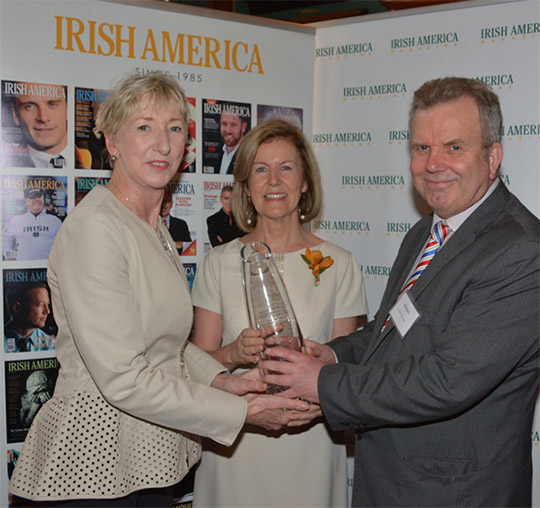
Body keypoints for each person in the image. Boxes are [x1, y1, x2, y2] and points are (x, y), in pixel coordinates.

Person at [8, 72, 311, 507]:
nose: (164, 144)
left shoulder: (153, 227)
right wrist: (241, 412)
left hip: (143, 466)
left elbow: (163, 342)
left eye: (174, 128)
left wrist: (222, 382)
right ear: (111, 141)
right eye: (144, 127)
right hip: (91, 471)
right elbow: (124, 376)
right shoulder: (96, 229)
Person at [263, 77, 540, 507]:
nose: (432, 164)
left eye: (454, 147)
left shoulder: (521, 251)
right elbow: (396, 329)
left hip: (456, 493)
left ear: (492, 157)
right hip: (390, 480)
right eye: (420, 148)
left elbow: (448, 380)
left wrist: (324, 382)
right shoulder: (424, 232)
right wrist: (335, 355)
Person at [192, 119, 368, 507]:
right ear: (245, 184)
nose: (274, 181)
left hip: (312, 447)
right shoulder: (217, 263)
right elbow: (196, 366)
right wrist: (233, 354)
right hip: (236, 446)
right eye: (260, 169)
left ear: (305, 182)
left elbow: (346, 369)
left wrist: (315, 405)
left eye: (286, 168)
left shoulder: (340, 264)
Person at [9, 82, 68, 168]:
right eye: (29, 107)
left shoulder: (88, 158)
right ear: (15, 114)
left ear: (68, 108)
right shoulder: (11, 165)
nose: (43, 118)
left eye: (52, 104)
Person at [2, 187, 62, 260]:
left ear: (44, 199)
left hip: (47, 267)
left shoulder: (55, 221)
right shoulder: (16, 221)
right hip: (23, 268)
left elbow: (64, 243)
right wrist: (9, 256)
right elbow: (5, 239)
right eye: (33, 197)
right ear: (26, 201)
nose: (37, 199)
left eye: (39, 196)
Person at [4, 282, 54, 353]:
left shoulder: (51, 344)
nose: (47, 311)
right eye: (40, 304)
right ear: (17, 308)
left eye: (47, 304)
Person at [160, 190, 191, 254]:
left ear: (171, 204)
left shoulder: (181, 224)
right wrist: (175, 244)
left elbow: (188, 248)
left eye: (166, 201)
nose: (163, 205)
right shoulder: (150, 224)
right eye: (161, 201)